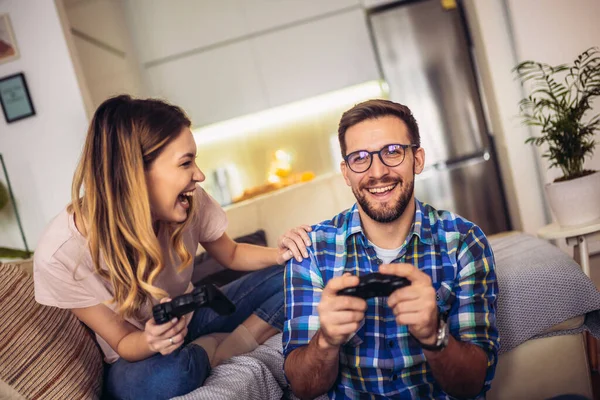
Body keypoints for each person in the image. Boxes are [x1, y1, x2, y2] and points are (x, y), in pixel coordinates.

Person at [33, 95, 311, 400]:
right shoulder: (61, 253)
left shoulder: (190, 200)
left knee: (305, 272)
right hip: (140, 355)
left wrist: (282, 253)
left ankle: (228, 347)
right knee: (172, 377)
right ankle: (213, 348)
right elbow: (124, 340)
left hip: (195, 316)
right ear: (135, 173)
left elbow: (230, 253)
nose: (199, 175)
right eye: (186, 163)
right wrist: (151, 341)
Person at [283, 99, 499, 399]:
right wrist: (327, 341)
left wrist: (433, 334)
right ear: (346, 173)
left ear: (418, 159)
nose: (378, 171)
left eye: (392, 152)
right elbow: (304, 388)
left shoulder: (464, 241)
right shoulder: (311, 252)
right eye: (360, 158)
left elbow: (471, 385)